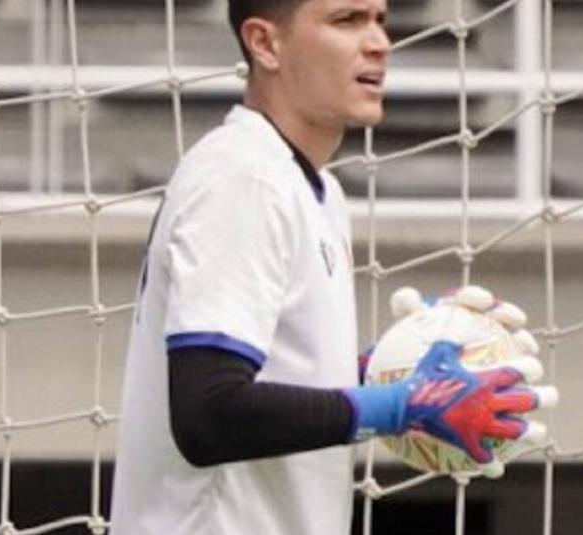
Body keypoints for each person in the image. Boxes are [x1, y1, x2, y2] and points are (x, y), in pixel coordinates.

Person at [111, 1, 546, 533]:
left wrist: (392, 367)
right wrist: (396, 405)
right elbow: (207, 414)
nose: (379, 43)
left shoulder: (314, 189)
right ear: (265, 44)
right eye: (347, 21)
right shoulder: (242, 179)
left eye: (380, 20)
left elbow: (273, 377)